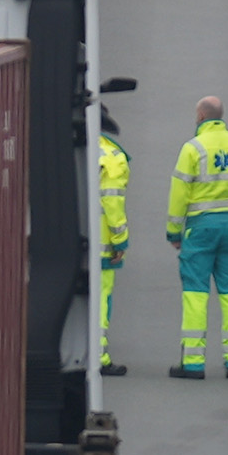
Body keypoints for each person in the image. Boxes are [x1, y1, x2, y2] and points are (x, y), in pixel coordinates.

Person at [167, 97, 228, 379]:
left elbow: (180, 192)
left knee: (196, 293)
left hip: (201, 230)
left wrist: (174, 230)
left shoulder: (193, 148)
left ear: (201, 115)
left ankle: (193, 364)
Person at [98, 112, 131, 377]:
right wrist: (120, 239)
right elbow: (112, 202)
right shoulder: (112, 157)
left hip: (64, 240)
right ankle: (100, 357)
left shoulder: (69, 145)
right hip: (101, 244)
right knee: (100, 299)